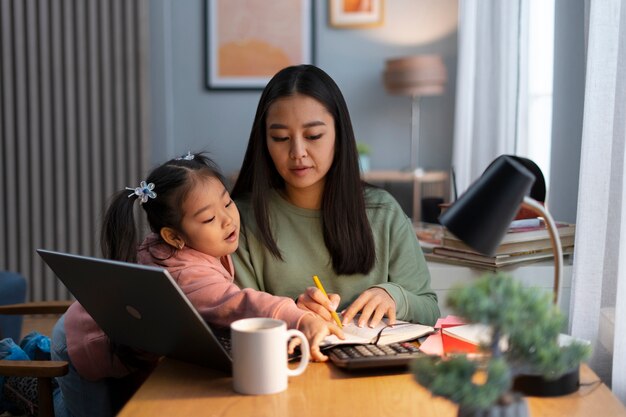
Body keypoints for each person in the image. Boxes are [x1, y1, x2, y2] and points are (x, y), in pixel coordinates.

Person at [53, 152, 343, 417]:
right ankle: (24, 384)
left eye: (227, 203)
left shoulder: (186, 247)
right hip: (82, 346)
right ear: (173, 236)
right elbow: (237, 303)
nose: (228, 219)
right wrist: (300, 319)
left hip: (124, 346)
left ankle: (38, 360)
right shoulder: (184, 275)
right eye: (209, 218)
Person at [231, 65, 440, 329]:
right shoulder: (240, 220)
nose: (298, 152)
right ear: (265, 141)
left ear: (339, 136)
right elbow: (236, 319)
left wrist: (395, 297)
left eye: (313, 136)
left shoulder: (383, 212)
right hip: (291, 363)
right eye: (280, 137)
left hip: (373, 366)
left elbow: (430, 310)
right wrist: (292, 313)